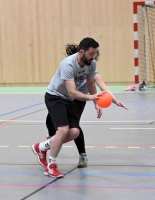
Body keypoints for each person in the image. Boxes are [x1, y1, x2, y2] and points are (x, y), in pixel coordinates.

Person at [31, 37, 105, 178]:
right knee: (63, 130)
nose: (94, 57)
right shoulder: (68, 64)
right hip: (55, 97)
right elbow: (72, 91)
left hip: (68, 98)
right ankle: (51, 166)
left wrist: (97, 102)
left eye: (95, 53)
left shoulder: (92, 63)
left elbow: (90, 84)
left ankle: (41, 147)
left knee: (75, 132)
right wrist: (90, 98)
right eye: (91, 54)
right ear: (81, 52)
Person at [45, 44, 127, 168]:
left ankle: (82, 154)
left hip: (79, 99)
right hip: (64, 97)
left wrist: (114, 101)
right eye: (91, 54)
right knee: (50, 121)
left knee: (74, 127)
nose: (92, 57)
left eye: (94, 56)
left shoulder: (93, 71)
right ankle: (51, 140)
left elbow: (103, 88)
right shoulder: (71, 66)